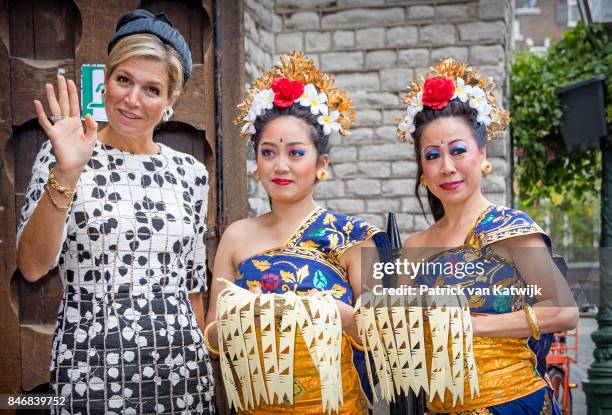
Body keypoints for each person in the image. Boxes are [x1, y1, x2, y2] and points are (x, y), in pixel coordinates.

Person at [16, 9, 214, 414]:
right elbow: (33, 267)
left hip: (181, 375)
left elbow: (192, 288)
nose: (132, 99)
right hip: (90, 371)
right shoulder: (64, 154)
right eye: (123, 80)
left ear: (172, 98)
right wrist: (68, 171)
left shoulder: (191, 173)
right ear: (105, 79)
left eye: (152, 89)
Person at [203, 52, 389, 414]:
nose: (281, 166)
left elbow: (380, 335)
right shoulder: (237, 236)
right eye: (268, 152)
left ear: (321, 164)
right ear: (256, 163)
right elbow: (212, 336)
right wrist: (246, 317)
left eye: (296, 152)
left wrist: (333, 312)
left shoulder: (353, 238)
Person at [396, 58, 578, 414]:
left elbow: (564, 311)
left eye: (458, 150)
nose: (446, 166)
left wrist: (471, 326)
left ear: (483, 154)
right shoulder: (415, 246)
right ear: (422, 169)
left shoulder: (509, 228)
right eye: (432, 155)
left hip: (510, 402)